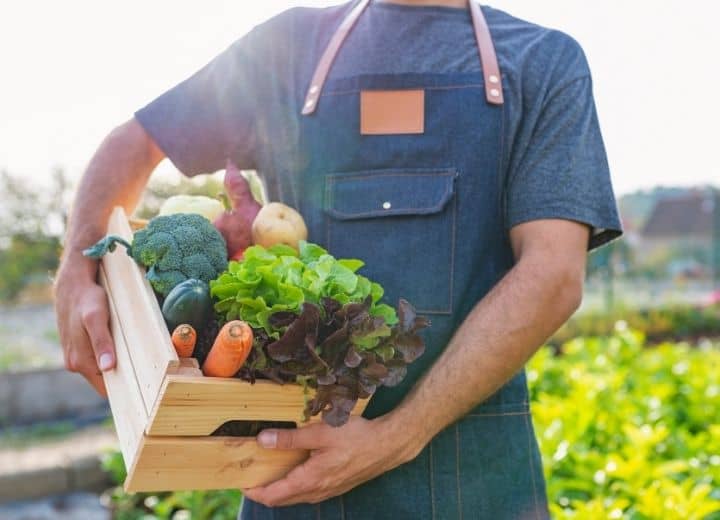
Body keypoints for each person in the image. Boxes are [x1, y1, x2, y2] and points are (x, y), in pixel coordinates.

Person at [54, 0, 622, 518]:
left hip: (479, 482)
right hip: (294, 480)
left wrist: (398, 436)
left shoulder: (542, 63)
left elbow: (552, 274)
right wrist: (78, 270)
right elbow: (134, 143)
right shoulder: (288, 48)